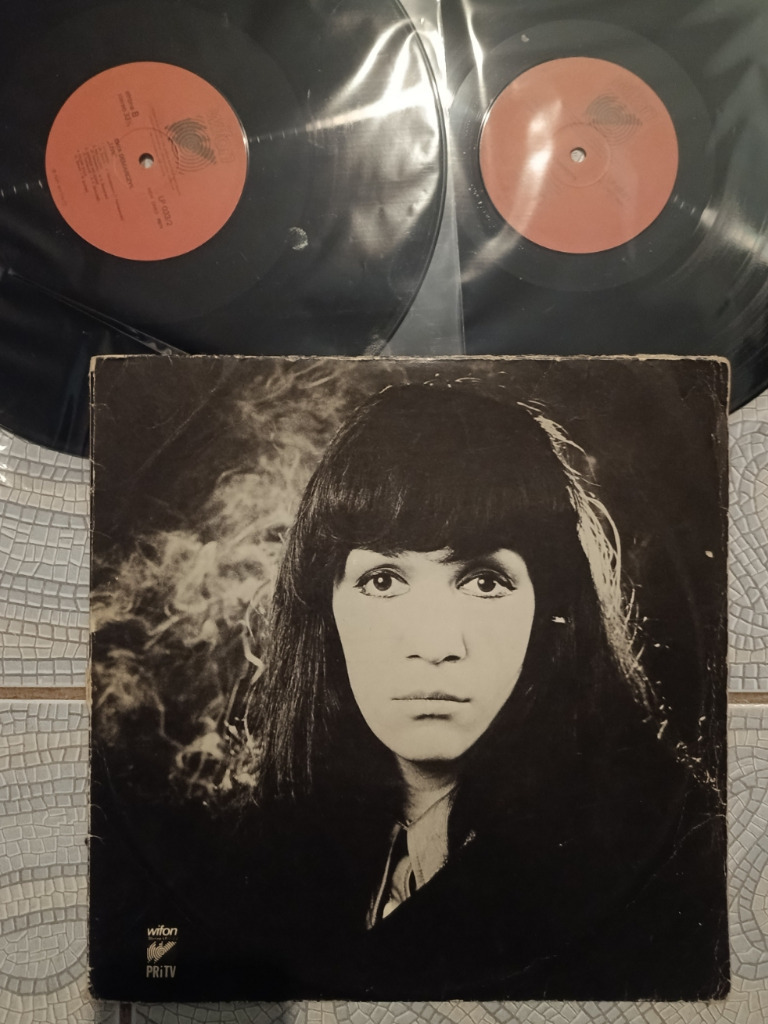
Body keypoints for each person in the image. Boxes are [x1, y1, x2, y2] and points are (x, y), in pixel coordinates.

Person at [226, 379, 729, 1000]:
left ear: (550, 611)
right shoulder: (257, 858)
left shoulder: (669, 866)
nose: (436, 644)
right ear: (324, 609)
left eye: (484, 582)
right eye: (383, 581)